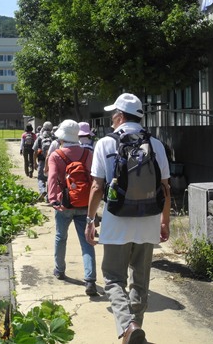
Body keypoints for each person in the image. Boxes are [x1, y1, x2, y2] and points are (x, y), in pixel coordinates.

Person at [85, 93, 171, 344]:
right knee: (140, 280)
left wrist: (90, 222)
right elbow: (166, 188)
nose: (112, 120)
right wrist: (165, 222)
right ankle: (134, 334)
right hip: (148, 221)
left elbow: (96, 188)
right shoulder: (156, 144)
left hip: (116, 222)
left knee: (113, 278)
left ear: (120, 117)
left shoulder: (105, 143)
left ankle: (128, 326)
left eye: (113, 116)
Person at [48, 119, 98, 297]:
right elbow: (94, 180)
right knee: (87, 241)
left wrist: (53, 199)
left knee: (61, 237)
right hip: (85, 203)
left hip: (64, 203)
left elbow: (52, 178)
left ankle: (59, 270)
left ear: (62, 136)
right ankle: (90, 279)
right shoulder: (87, 154)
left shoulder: (56, 155)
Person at [33, 121, 55, 202]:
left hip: (42, 161)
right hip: (53, 162)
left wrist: (34, 162)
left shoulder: (40, 137)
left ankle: (43, 191)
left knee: (41, 178)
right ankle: (48, 197)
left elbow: (35, 151)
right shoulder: (54, 137)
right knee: (51, 179)